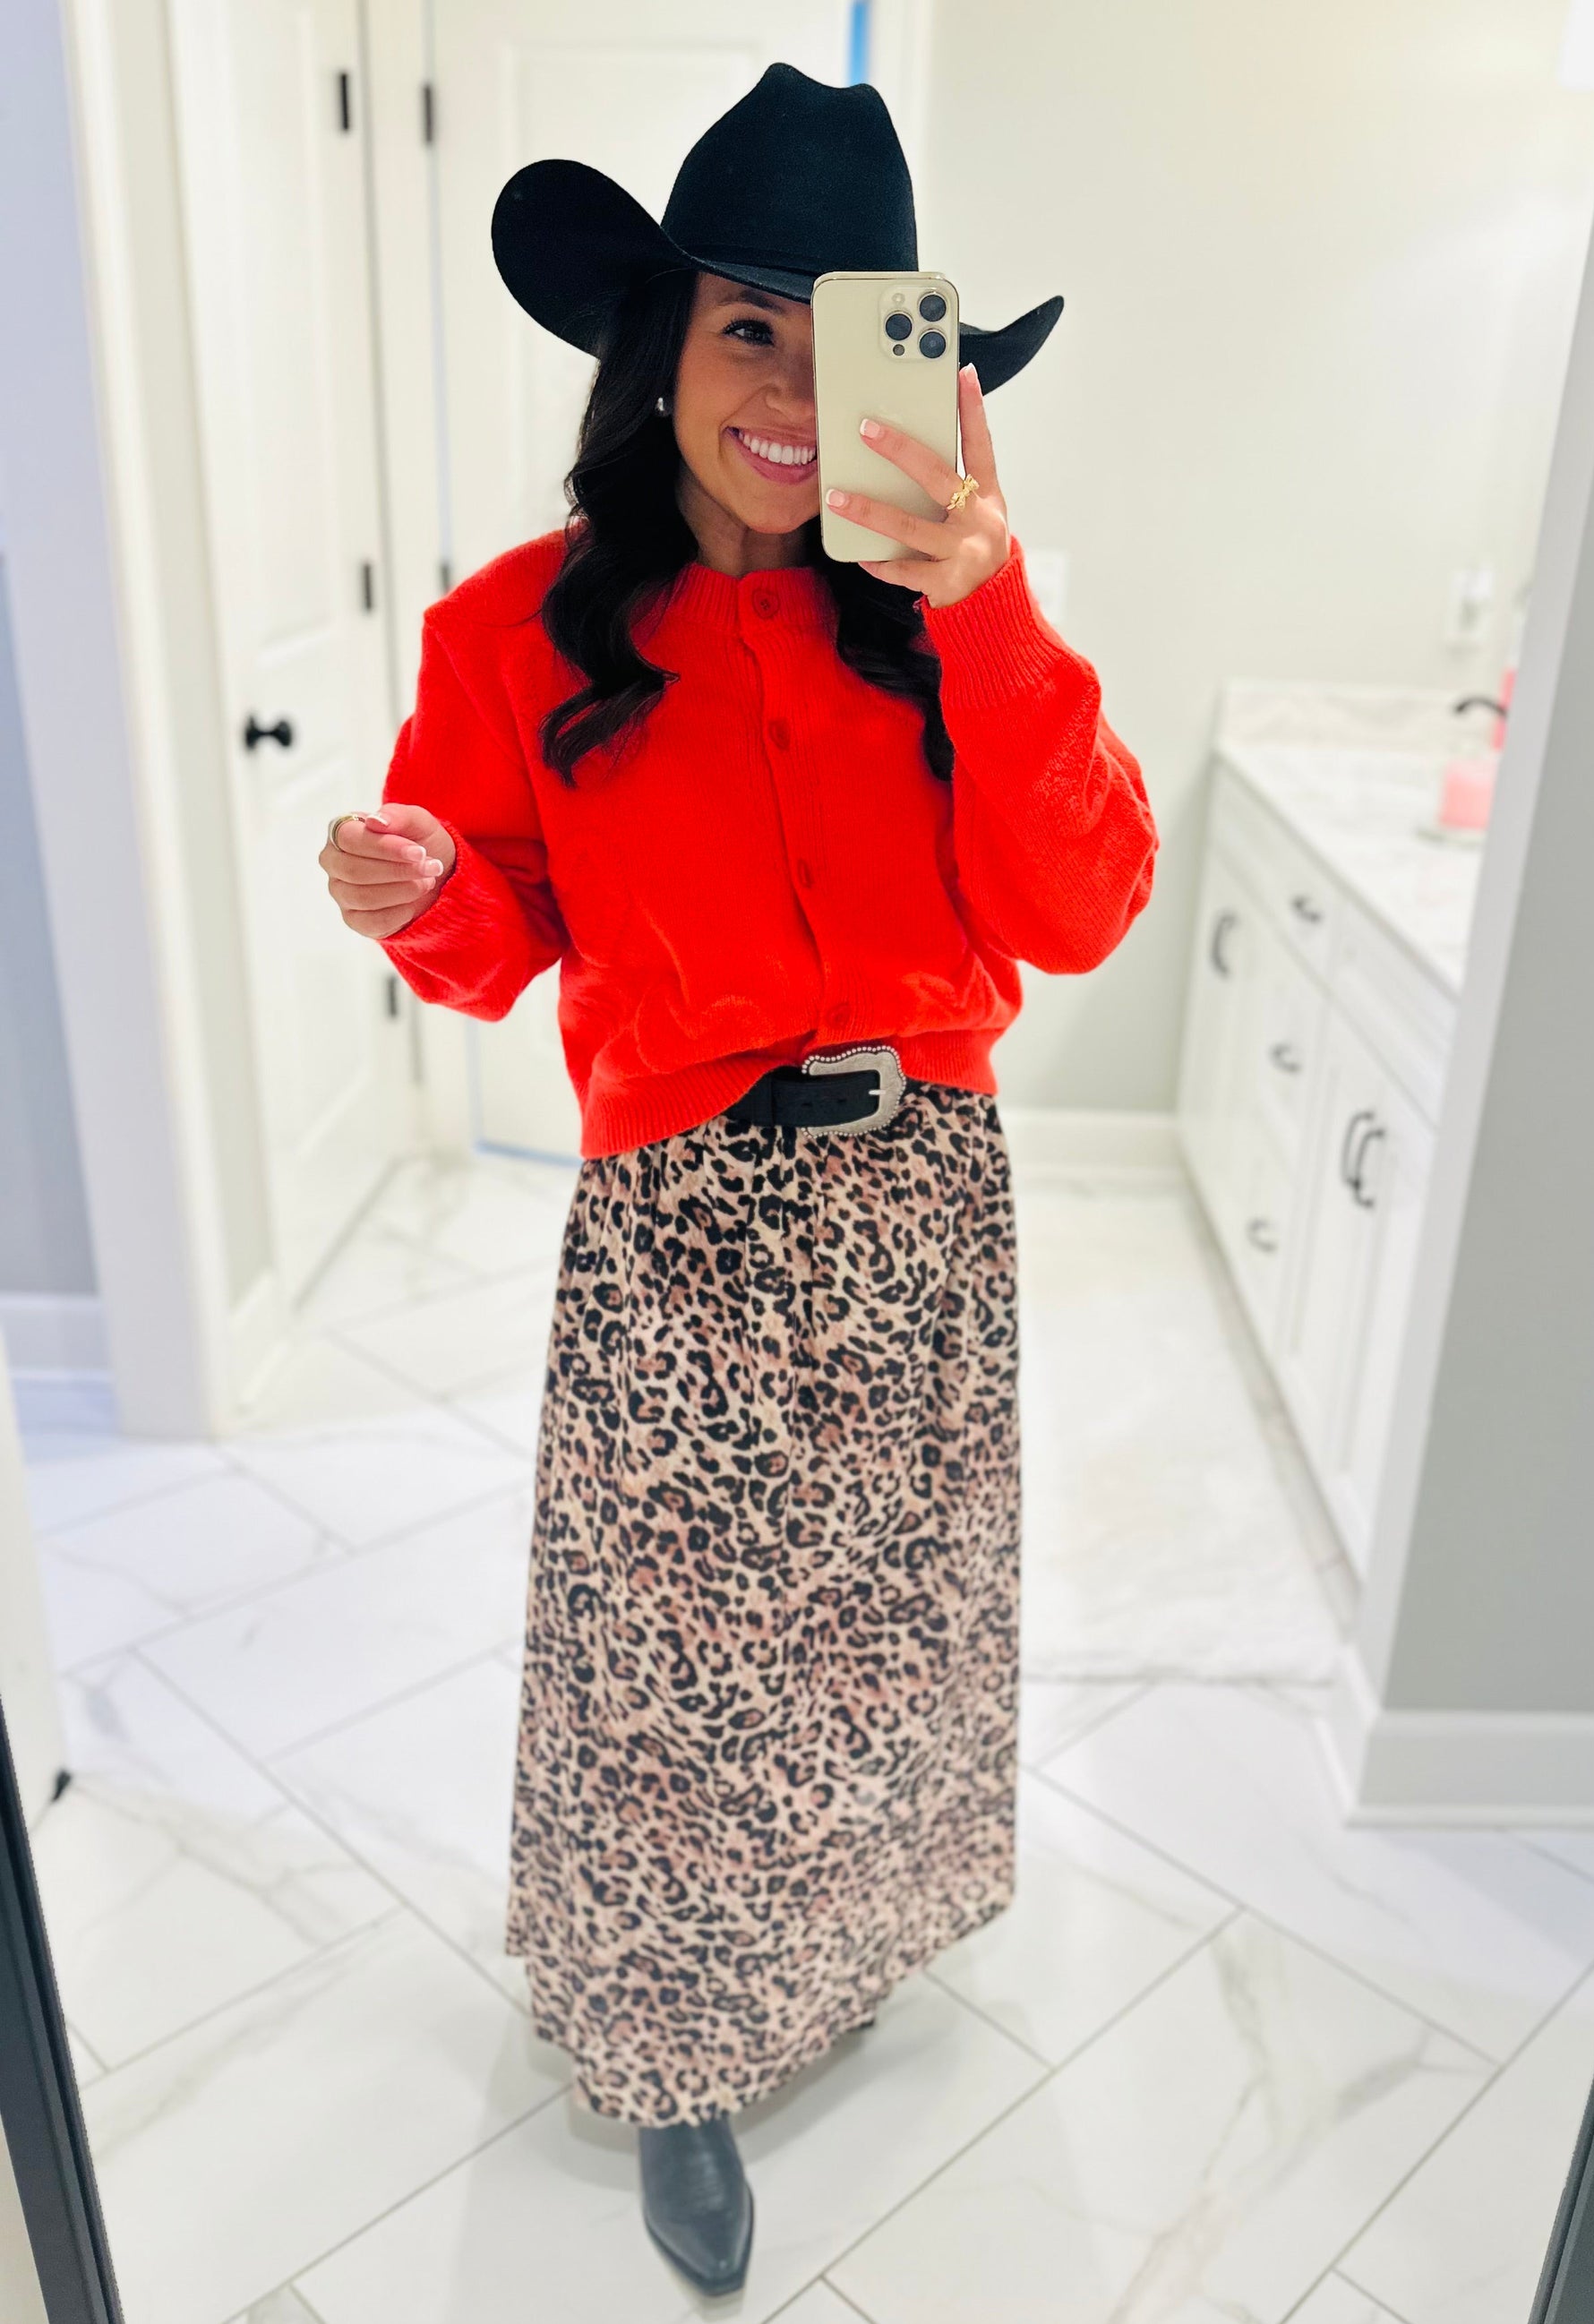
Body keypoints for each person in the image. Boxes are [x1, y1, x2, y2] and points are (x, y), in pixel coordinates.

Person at [316, 61, 1155, 2301]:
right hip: (683, 1227)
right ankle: (670, 2050)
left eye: (846, 334)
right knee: (668, 1675)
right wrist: (417, 891)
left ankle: (841, 1944)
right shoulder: (514, 631)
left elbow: (1081, 909)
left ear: (927, 372)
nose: (788, 394)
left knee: (885, 1627)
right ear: (662, 348)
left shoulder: (958, 628)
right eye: (744, 329)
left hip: (924, 1200)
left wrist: (989, 606)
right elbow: (498, 933)